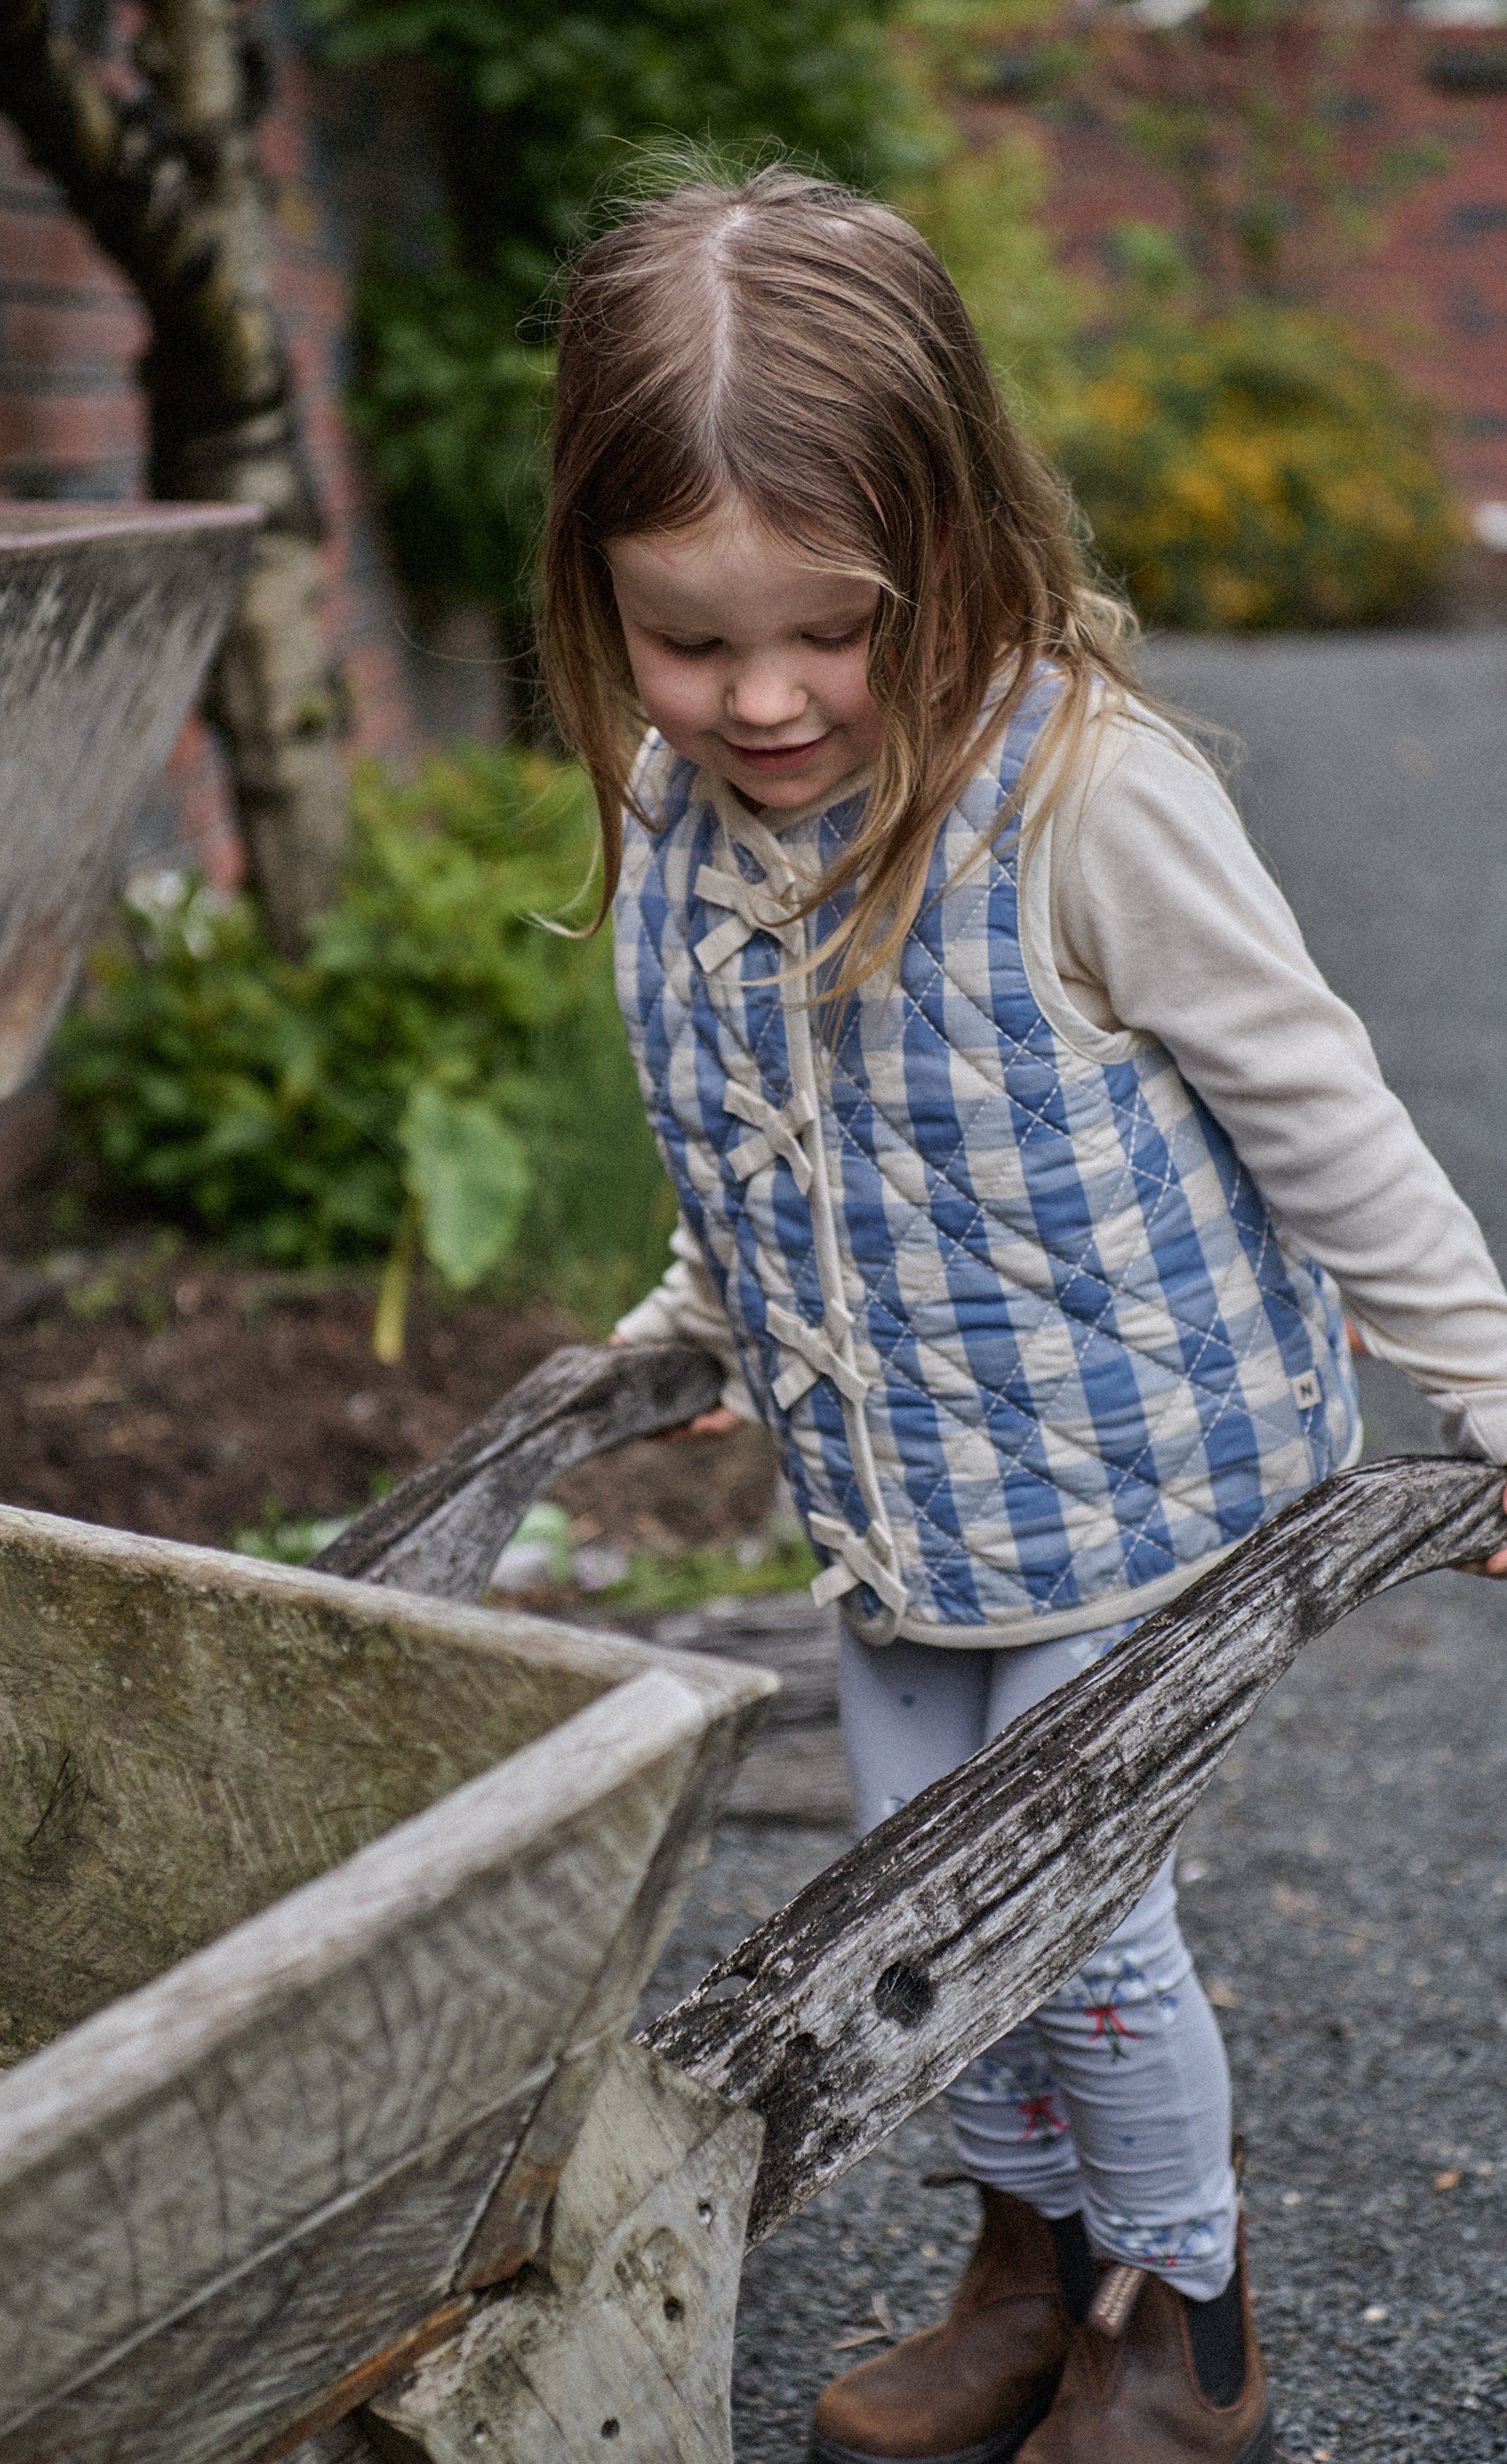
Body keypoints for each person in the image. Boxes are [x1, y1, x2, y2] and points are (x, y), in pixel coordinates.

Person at [537, 166, 1507, 2464]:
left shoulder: (1086, 795)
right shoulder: (688, 797)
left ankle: (1189, 2323)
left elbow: (1318, 1099)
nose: (760, 696)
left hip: (1147, 1469)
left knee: (1067, 1918)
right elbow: (753, 1111)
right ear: (602, 599)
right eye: (688, 639)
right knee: (919, 1906)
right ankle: (1032, 2259)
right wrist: (691, 1316)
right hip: (909, 1489)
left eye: (829, 629)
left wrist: (1481, 1384)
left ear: (958, 545)